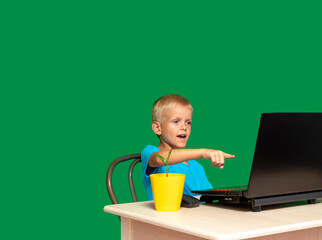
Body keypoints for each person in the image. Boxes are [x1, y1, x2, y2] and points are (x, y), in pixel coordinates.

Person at [141, 94, 235, 200]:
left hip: (195, 216)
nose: (184, 127)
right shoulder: (150, 152)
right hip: (162, 215)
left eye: (188, 122)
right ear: (158, 128)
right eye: (176, 121)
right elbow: (160, 159)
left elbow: (209, 198)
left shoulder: (197, 167)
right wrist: (203, 152)